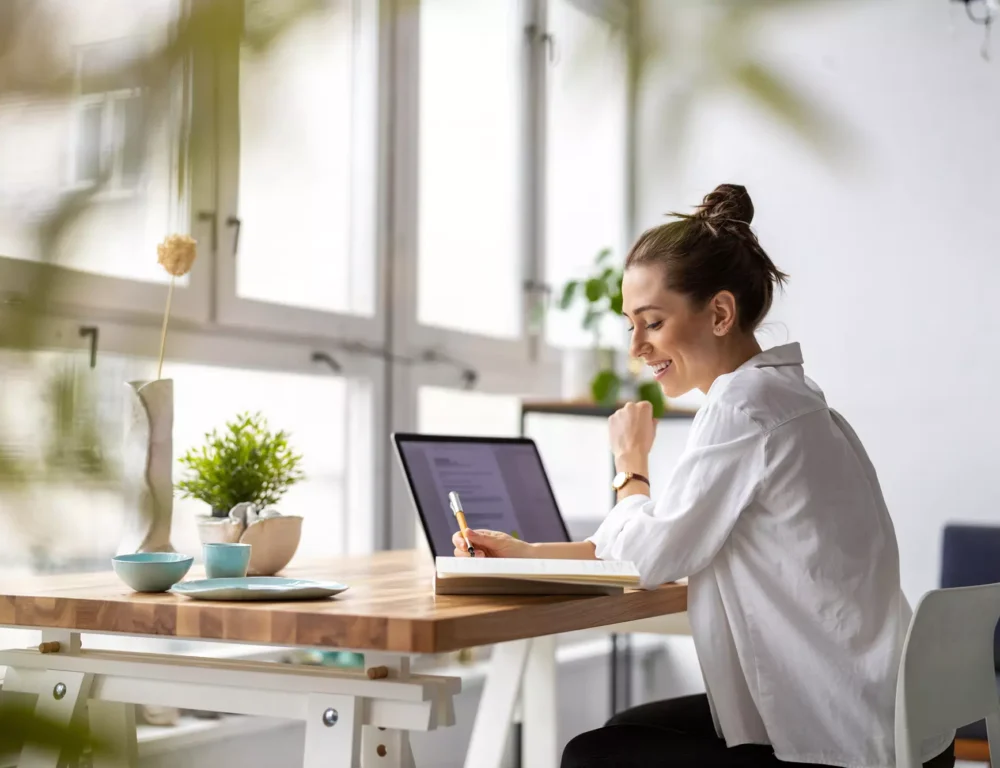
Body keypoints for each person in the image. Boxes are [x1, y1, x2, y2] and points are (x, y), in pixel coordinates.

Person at [451, 184, 955, 768]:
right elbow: (659, 539)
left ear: (719, 313)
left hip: (847, 742)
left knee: (594, 755)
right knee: (623, 732)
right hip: (895, 722)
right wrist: (528, 553)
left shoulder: (743, 407)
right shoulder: (788, 396)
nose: (637, 347)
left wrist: (629, 465)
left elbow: (648, 559)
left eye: (652, 322)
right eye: (630, 325)